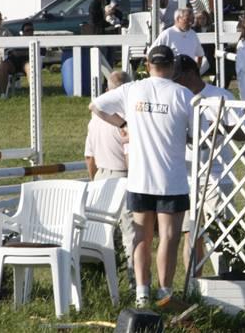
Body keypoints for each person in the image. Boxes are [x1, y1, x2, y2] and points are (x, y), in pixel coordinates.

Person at [89, 45, 194, 307]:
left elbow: (96, 106)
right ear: (172, 67)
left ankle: (142, 292)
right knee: (168, 236)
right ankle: (165, 291)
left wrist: (123, 124)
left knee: (140, 236)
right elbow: (196, 131)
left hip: (139, 178)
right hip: (171, 179)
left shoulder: (131, 89)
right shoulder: (183, 94)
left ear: (147, 65)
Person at [173, 54, 237, 277]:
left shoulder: (221, 96)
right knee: (190, 232)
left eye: (176, 77)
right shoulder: (176, 98)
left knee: (222, 232)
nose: (172, 82)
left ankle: (226, 279)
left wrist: (216, 127)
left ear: (190, 74)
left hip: (218, 174)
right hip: (185, 177)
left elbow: (242, 132)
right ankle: (194, 282)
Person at [84, 70, 135, 285]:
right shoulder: (124, 120)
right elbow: (128, 155)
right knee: (130, 233)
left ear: (108, 90)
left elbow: (89, 156)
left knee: (98, 233)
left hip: (100, 177)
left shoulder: (95, 119)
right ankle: (136, 281)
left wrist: (93, 178)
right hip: (124, 176)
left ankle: (96, 279)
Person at [0, 21, 36, 97]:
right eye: (27, 30)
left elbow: (42, 52)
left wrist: (23, 53)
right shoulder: (16, 40)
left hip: (27, 62)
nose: (30, 32)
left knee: (30, 66)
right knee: (3, 65)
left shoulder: (36, 41)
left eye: (31, 30)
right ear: (23, 32)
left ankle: (33, 94)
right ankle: (3, 94)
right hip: (13, 62)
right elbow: (7, 50)